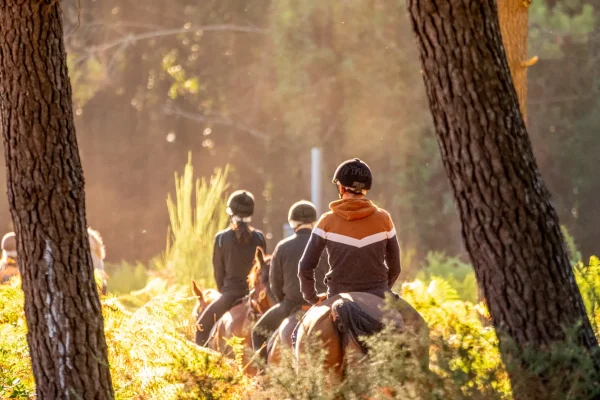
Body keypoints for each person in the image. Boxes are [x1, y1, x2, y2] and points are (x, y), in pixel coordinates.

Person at [298, 158, 401, 305]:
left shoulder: (326, 221)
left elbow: (305, 267)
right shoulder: (384, 219)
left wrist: (312, 298)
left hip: (337, 296)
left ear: (341, 189)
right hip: (379, 294)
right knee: (416, 326)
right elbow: (395, 268)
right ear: (366, 190)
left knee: (300, 329)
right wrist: (382, 289)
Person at [251, 200, 328, 358]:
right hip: (322, 305)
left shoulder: (283, 246)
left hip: (292, 305)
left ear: (292, 223)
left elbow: (274, 283)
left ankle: (262, 376)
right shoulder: (326, 245)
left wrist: (283, 302)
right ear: (315, 222)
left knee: (258, 332)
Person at [196, 190, 266, 346]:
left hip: (229, 295)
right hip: (253, 297)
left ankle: (198, 369)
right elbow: (262, 272)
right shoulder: (260, 237)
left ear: (230, 212)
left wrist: (224, 292)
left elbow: (218, 273)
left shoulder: (221, 238)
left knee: (200, 328)